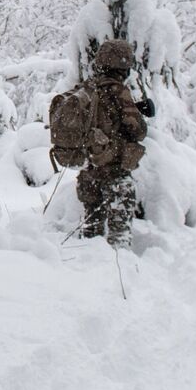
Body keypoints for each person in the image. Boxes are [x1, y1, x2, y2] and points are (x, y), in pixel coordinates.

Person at [49, 39, 151, 246]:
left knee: (91, 228)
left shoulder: (87, 88)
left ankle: (90, 260)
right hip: (114, 170)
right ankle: (119, 263)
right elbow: (138, 130)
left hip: (89, 171)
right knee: (119, 235)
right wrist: (142, 111)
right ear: (123, 65)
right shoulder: (118, 91)